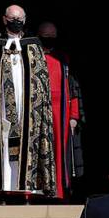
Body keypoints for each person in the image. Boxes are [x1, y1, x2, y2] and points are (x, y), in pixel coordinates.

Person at [0, 5, 56, 200]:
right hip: (0, 108)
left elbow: (41, 81)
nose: (16, 21)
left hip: (27, 108)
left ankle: (27, 188)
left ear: (25, 20)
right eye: (12, 18)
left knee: (27, 140)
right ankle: (0, 187)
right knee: (1, 140)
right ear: (4, 19)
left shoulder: (33, 45)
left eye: (19, 18)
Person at [38, 22, 84, 203]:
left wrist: (74, 115)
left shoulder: (63, 58)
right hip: (40, 110)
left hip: (61, 112)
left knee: (60, 152)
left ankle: (59, 191)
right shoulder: (34, 57)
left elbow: (73, 88)